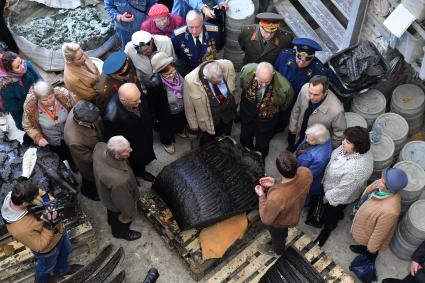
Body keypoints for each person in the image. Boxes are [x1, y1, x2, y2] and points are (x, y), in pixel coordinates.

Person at [1, 181, 81, 283]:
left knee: (66, 250)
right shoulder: (20, 230)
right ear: (26, 203)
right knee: (46, 267)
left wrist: (49, 204)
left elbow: (42, 193)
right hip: (47, 249)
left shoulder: (19, 193)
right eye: (36, 196)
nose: (39, 195)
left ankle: (62, 271)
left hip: (59, 233)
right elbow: (39, 246)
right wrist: (49, 224)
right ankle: (42, 281)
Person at [315, 126, 373, 247]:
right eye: (344, 139)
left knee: (332, 213)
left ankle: (327, 229)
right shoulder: (350, 149)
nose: (343, 142)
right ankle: (338, 214)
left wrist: (328, 197)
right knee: (336, 211)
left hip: (339, 195)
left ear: (356, 147)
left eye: (347, 141)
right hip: (332, 184)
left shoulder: (356, 170)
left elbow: (344, 190)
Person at [255, 150, 312, 255]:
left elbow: (266, 219)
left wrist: (262, 196)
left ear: (279, 170)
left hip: (280, 223)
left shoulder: (277, 197)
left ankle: (278, 250)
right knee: (282, 234)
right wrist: (275, 183)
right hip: (293, 215)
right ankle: (283, 238)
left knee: (278, 237)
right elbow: (292, 188)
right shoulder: (306, 172)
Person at [350, 168, 408, 264]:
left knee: (370, 250)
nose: (379, 180)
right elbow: (367, 193)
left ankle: (367, 255)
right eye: (382, 177)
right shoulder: (381, 186)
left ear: (390, 187)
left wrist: (371, 249)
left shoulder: (390, 211)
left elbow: (379, 234)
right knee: (364, 243)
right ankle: (362, 246)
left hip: (370, 233)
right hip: (365, 224)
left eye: (383, 180)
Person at [102, 83, 156, 182]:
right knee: (135, 161)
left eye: (139, 97)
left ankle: (142, 169)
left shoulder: (135, 95)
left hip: (145, 133)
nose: (140, 101)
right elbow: (114, 141)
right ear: (123, 100)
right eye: (135, 101)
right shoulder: (111, 117)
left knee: (145, 154)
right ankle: (138, 173)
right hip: (133, 145)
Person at [239, 62, 293, 159]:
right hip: (248, 114)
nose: (263, 85)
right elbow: (242, 85)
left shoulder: (284, 87)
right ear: (255, 73)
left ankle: (258, 159)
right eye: (261, 81)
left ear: (272, 75)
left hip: (266, 122)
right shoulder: (247, 72)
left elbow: (285, 105)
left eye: (267, 82)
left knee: (262, 145)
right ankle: (245, 153)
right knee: (245, 138)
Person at [93, 136, 142, 241]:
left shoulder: (100, 147)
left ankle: (112, 222)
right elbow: (125, 203)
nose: (131, 150)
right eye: (126, 151)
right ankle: (120, 233)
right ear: (116, 155)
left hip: (106, 193)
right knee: (118, 217)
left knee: (111, 214)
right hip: (116, 202)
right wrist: (128, 215)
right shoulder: (119, 181)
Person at [22, 81, 78, 171]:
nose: (49, 101)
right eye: (44, 100)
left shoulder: (64, 96)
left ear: (53, 93)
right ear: (38, 99)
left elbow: (76, 109)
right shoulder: (30, 108)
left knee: (70, 151)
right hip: (51, 139)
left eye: (51, 97)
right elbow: (28, 126)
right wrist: (38, 138)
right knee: (58, 155)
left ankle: (72, 162)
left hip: (69, 134)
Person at [274, 38, 327, 133]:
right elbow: (275, 72)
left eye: (307, 59)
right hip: (278, 94)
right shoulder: (284, 55)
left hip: (295, 101)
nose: (302, 62)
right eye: (299, 57)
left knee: (283, 120)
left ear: (313, 56)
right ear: (295, 51)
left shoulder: (318, 70)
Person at [184, 60, 236, 146]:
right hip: (209, 120)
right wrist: (193, 125)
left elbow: (234, 87)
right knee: (207, 143)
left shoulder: (228, 65)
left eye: (220, 81)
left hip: (228, 114)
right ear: (206, 77)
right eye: (215, 83)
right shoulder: (190, 80)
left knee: (225, 139)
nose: (219, 83)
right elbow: (188, 105)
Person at [288, 75, 346, 151]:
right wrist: (293, 128)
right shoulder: (305, 88)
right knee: (292, 147)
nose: (311, 97)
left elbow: (339, 134)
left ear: (325, 92)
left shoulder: (337, 110)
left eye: (316, 95)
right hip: (298, 131)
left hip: (313, 143)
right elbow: (296, 109)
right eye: (310, 92)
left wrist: (323, 150)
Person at [151, 51, 191, 154]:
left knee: (180, 121)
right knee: (166, 128)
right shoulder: (154, 84)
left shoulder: (180, 66)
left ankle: (179, 130)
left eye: (171, 66)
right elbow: (154, 105)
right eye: (165, 70)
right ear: (159, 72)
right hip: (167, 112)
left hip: (183, 107)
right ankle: (167, 142)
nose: (171, 71)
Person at [64, 101, 103, 201]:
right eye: (93, 121)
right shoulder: (74, 140)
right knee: (90, 179)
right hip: (86, 163)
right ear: (81, 122)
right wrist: (105, 156)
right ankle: (88, 192)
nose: (97, 120)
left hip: (95, 147)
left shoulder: (82, 107)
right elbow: (88, 157)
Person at [172, 10, 222, 74]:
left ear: (202, 22)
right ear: (186, 23)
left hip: (209, 68)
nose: (194, 31)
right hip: (189, 71)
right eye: (191, 27)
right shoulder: (178, 36)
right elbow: (178, 55)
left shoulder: (214, 31)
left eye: (197, 27)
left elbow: (218, 46)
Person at [294, 123, 332, 205]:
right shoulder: (312, 134)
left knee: (302, 194)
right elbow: (302, 145)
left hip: (305, 178)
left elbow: (309, 174)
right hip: (297, 164)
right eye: (307, 136)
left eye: (310, 140)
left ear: (319, 141)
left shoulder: (320, 158)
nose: (306, 140)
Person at [0, 51, 40, 130]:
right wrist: (30, 97)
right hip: (22, 114)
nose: (23, 67)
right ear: (9, 71)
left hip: (37, 102)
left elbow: (38, 79)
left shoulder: (27, 65)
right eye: (17, 67)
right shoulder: (5, 86)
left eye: (21, 62)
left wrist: (36, 87)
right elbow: (13, 107)